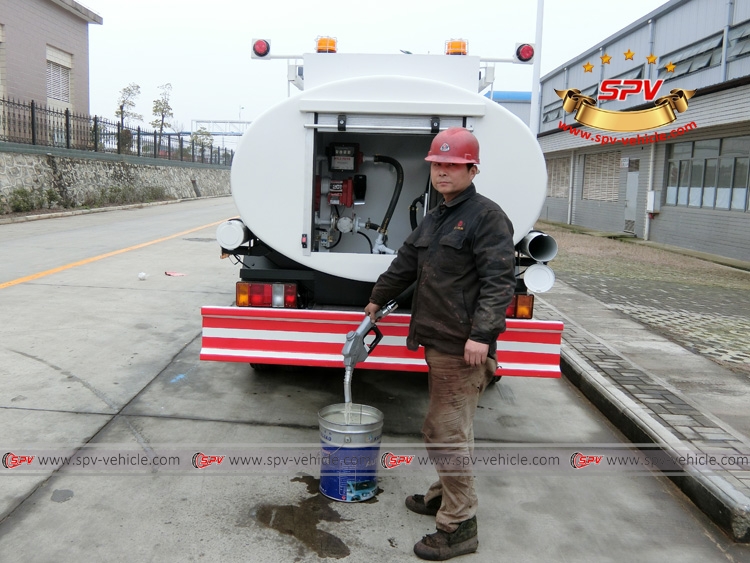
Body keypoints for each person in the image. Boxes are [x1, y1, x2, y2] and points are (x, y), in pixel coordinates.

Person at [365, 127, 516, 561]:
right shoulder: (438, 215)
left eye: (453, 165)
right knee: (452, 429)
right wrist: (376, 299)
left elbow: (498, 281)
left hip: (460, 346)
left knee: (443, 432)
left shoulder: (487, 217)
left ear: (472, 168)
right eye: (438, 165)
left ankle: (459, 524)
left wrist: (482, 336)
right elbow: (406, 262)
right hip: (438, 341)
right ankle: (441, 495)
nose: (443, 172)